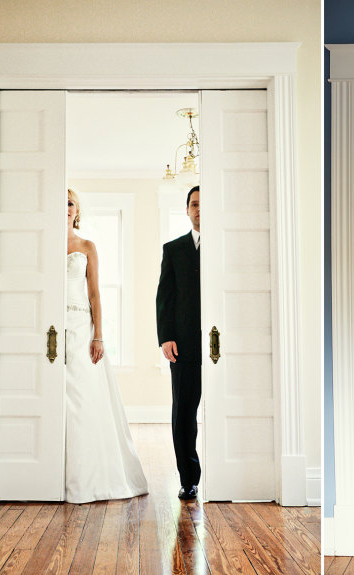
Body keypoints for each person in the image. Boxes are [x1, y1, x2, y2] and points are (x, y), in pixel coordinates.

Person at [65, 188, 148, 504]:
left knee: (83, 397)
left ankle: (90, 477)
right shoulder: (45, 243)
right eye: (59, 202)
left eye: (69, 202)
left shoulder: (86, 247)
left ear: (77, 210)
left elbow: (95, 295)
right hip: (52, 329)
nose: (65, 207)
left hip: (79, 326)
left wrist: (98, 335)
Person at [156, 185, 203, 500]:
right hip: (183, 347)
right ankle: (188, 479)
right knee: (183, 413)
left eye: (205, 204)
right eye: (195, 204)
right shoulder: (173, 250)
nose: (200, 209)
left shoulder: (226, 246)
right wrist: (166, 337)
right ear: (187, 210)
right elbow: (165, 297)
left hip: (219, 347)